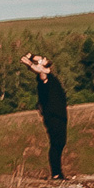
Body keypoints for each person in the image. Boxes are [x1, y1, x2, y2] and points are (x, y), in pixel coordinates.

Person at [21, 52, 68, 180]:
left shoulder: (50, 76)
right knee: (56, 143)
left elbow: (40, 66)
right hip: (52, 116)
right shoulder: (43, 78)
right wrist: (30, 62)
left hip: (60, 115)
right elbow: (39, 70)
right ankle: (56, 174)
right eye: (41, 60)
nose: (44, 58)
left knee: (61, 142)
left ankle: (58, 172)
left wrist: (31, 57)